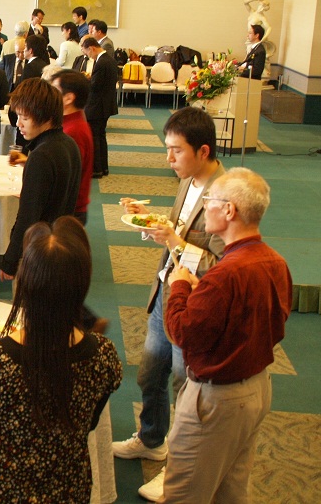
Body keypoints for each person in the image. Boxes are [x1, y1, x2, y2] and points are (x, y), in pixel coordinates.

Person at [0, 217, 122, 503]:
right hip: (70, 491)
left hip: (1, 493)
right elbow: (90, 424)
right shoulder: (103, 356)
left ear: (26, 283)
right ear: (82, 285)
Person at [113, 107, 226, 501]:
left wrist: (177, 242)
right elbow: (181, 230)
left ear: (204, 150)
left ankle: (178, 468)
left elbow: (223, 265)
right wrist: (151, 221)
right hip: (166, 293)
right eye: (167, 149)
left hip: (193, 305)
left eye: (176, 151)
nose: (169, 159)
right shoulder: (189, 179)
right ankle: (151, 440)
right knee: (149, 374)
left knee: (184, 388)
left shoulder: (226, 194)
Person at [161, 168, 291, 503]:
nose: (205, 205)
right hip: (256, 388)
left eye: (210, 200)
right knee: (230, 491)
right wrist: (202, 290)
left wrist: (180, 287)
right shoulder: (275, 261)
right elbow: (269, 321)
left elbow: (182, 332)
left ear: (229, 210)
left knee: (184, 493)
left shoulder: (226, 274)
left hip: (217, 399)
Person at [0, 78, 81, 280]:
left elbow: (27, 217)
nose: (18, 124)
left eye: (25, 118)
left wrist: (10, 261)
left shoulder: (41, 155)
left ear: (46, 117)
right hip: (61, 244)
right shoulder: (68, 144)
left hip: (39, 251)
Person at [43, 67, 93, 224]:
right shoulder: (70, 123)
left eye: (54, 90)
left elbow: (66, 178)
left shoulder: (73, 131)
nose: (49, 95)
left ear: (68, 98)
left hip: (68, 211)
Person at [80, 36, 118, 177]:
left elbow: (95, 86)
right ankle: (103, 167)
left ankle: (96, 169)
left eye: (87, 52)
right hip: (105, 104)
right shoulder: (109, 59)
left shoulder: (101, 62)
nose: (88, 56)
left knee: (94, 137)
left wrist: (84, 80)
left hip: (97, 106)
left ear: (92, 48)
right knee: (101, 136)